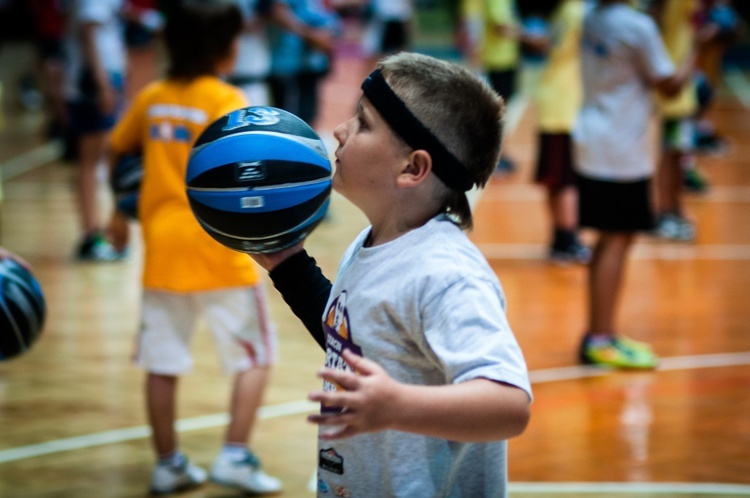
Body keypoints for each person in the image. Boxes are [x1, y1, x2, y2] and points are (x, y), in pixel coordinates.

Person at [251, 52, 532, 497]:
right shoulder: (377, 241)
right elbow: (353, 337)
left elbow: (509, 405)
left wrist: (398, 405)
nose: (339, 131)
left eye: (361, 123)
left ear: (412, 168)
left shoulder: (446, 274)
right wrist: (289, 265)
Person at [107, 1, 280, 494]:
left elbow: (120, 150)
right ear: (227, 49)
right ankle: (235, 457)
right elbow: (252, 173)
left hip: (162, 251)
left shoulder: (152, 97)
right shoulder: (228, 100)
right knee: (254, 357)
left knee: (162, 363)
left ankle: (168, 464)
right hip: (221, 249)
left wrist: (116, 214)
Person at [573, 0, 695, 369]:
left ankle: (597, 333)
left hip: (595, 136)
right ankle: (601, 338)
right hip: (621, 148)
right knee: (619, 238)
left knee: (608, 238)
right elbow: (670, 86)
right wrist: (699, 46)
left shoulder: (592, 14)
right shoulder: (637, 27)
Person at [62, 0, 128, 261]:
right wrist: (102, 84)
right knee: (90, 160)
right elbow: (88, 34)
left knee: (96, 158)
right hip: (92, 83)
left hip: (100, 79)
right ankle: (91, 235)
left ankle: (95, 231)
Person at [532, 0, 590, 263]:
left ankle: (560, 238)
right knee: (566, 178)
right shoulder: (578, 12)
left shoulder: (564, 10)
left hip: (553, 101)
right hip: (566, 104)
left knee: (557, 177)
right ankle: (567, 239)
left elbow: (547, 44)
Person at [651, 0, 702, 242]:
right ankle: (664, 213)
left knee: (677, 154)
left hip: (681, 89)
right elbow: (655, 19)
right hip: (672, 87)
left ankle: (672, 209)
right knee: (671, 155)